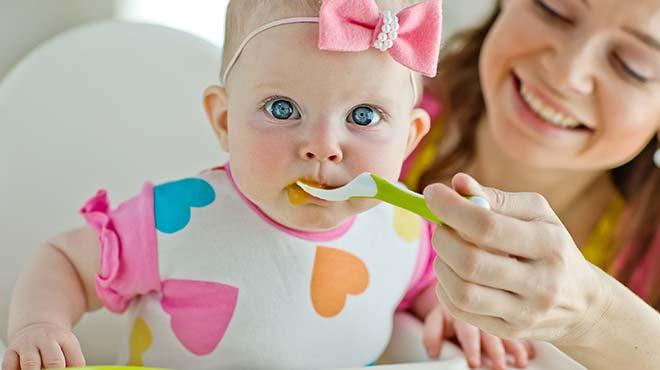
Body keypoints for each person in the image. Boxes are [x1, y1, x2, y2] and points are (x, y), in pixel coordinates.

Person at [2, 1, 529, 369]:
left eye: (364, 116)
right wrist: (39, 328)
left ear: (410, 138)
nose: (324, 147)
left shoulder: (405, 232)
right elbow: (66, 262)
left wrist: (451, 315)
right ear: (224, 120)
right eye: (283, 109)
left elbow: (416, 290)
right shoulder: (179, 219)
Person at [403, 1, 660, 369]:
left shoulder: (650, 257)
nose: (566, 73)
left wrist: (591, 313)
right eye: (553, 10)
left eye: (632, 66)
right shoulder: (367, 126)